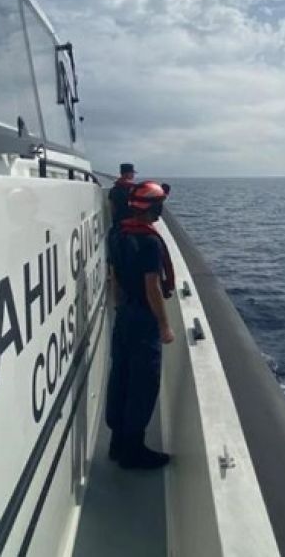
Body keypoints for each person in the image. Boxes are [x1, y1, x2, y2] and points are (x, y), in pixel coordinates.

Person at [106, 181, 176, 469]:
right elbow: (152, 288)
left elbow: (114, 277)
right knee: (142, 383)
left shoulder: (117, 232)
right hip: (143, 319)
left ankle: (116, 443)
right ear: (153, 208)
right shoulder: (148, 242)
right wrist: (164, 325)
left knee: (120, 375)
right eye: (160, 205)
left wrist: (119, 306)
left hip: (124, 315)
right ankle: (133, 451)